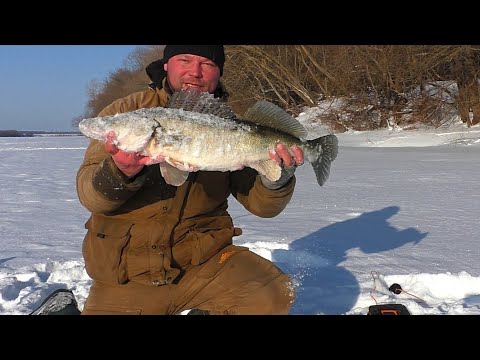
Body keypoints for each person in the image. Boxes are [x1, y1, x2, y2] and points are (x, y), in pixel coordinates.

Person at [76, 45, 304, 315]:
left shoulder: (231, 125)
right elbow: (92, 197)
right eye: (184, 59)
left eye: (207, 63)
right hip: (127, 274)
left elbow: (263, 207)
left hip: (205, 264)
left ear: (218, 72)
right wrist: (120, 171)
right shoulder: (128, 112)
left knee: (274, 294)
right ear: (166, 64)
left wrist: (277, 178)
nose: (194, 72)